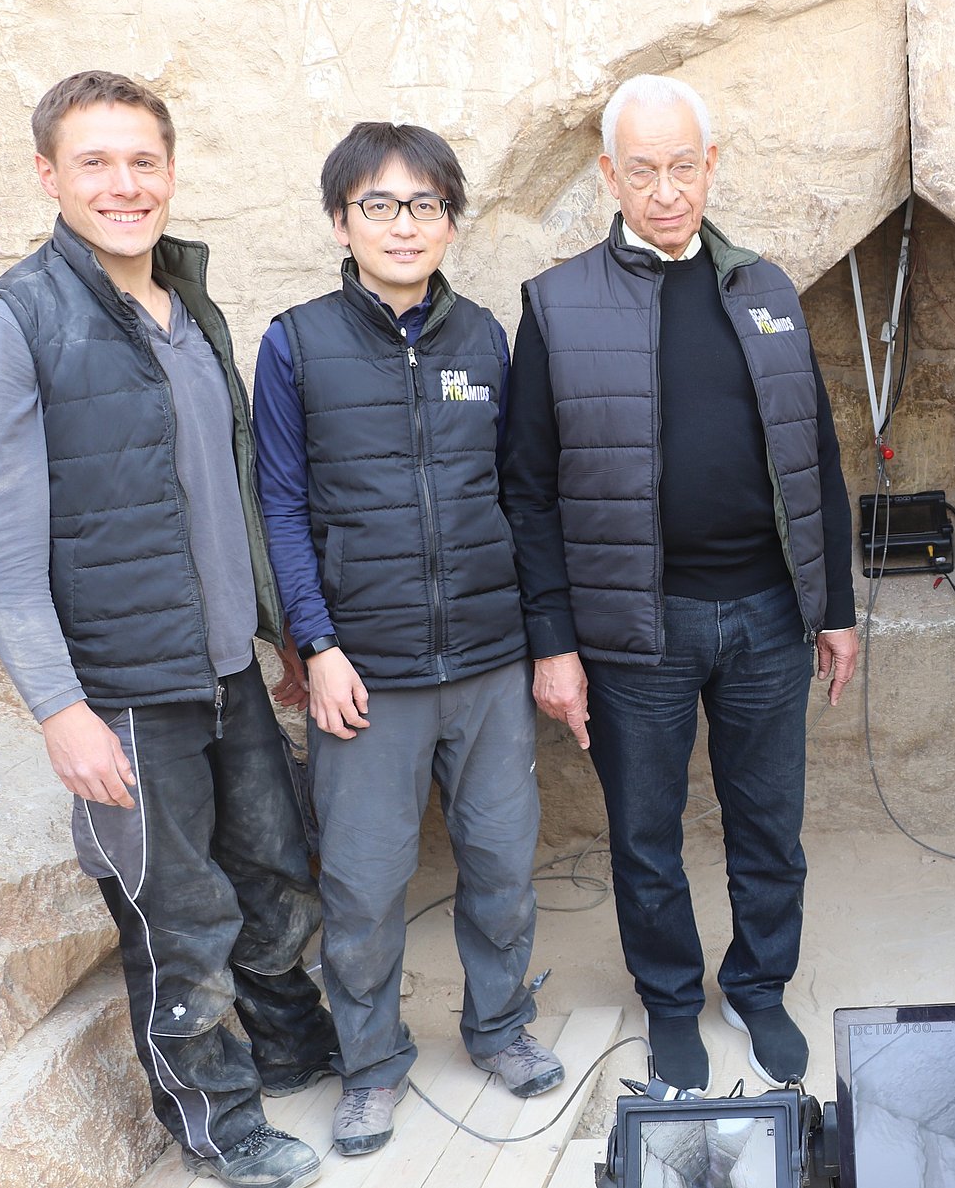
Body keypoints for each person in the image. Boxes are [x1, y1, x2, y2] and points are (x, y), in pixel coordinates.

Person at [0, 71, 335, 1188]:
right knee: (179, 919)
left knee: (273, 873)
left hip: (226, 670)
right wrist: (60, 710)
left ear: (169, 170)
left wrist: (278, 636)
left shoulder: (189, 305)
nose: (124, 185)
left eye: (142, 161)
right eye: (95, 162)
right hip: (122, 689)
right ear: (47, 175)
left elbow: (227, 494)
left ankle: (291, 1045)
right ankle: (222, 1124)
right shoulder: (11, 324)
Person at [499, 74, 858, 1093]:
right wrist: (554, 641)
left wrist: (833, 608)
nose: (666, 191)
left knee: (768, 824)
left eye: (684, 166)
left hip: (767, 615)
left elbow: (817, 457)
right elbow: (527, 491)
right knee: (646, 834)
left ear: (712, 166)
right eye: (643, 170)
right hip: (634, 629)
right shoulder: (559, 305)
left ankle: (759, 984)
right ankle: (668, 999)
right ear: (609, 175)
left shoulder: (766, 289)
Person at [251, 122, 563, 1157]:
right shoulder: (296, 344)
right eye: (378, 205)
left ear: (452, 222)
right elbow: (281, 507)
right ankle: (372, 1065)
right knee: (363, 885)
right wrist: (316, 643)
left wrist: (538, 638)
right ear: (342, 222)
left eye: (425, 204)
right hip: (364, 673)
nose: (403, 225)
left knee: (501, 865)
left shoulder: (484, 339)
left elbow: (516, 492)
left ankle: (501, 1027)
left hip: (488, 660)